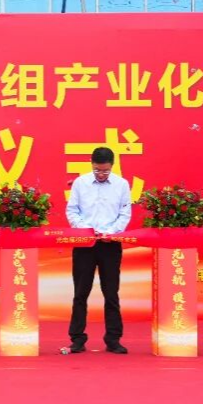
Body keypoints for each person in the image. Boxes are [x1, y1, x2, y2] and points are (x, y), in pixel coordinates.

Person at [66, 147, 133, 354]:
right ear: (91, 164)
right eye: (97, 170)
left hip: (110, 244)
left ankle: (113, 339)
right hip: (85, 243)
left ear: (112, 166)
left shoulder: (121, 184)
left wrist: (110, 232)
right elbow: (72, 210)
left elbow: (125, 213)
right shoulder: (80, 183)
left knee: (111, 293)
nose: (101, 174)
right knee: (80, 293)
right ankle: (77, 338)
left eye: (105, 171)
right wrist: (86, 230)